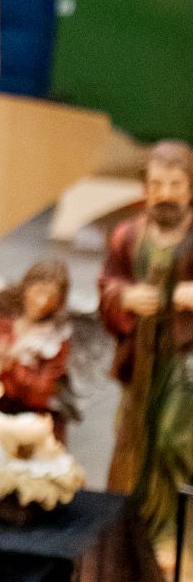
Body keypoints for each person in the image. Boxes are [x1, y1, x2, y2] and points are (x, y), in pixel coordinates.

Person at [99, 140, 193, 551]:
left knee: (175, 436)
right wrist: (123, 298)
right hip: (140, 358)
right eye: (157, 184)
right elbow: (108, 283)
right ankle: (138, 529)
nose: (166, 194)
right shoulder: (127, 235)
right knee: (136, 437)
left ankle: (179, 528)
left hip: (184, 357)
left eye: (175, 184)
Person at [0, 257, 75, 433]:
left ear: (59, 303)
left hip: (31, 426)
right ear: (25, 289)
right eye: (39, 291)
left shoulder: (57, 341)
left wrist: (10, 366)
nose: (42, 301)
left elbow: (42, 392)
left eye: (51, 297)